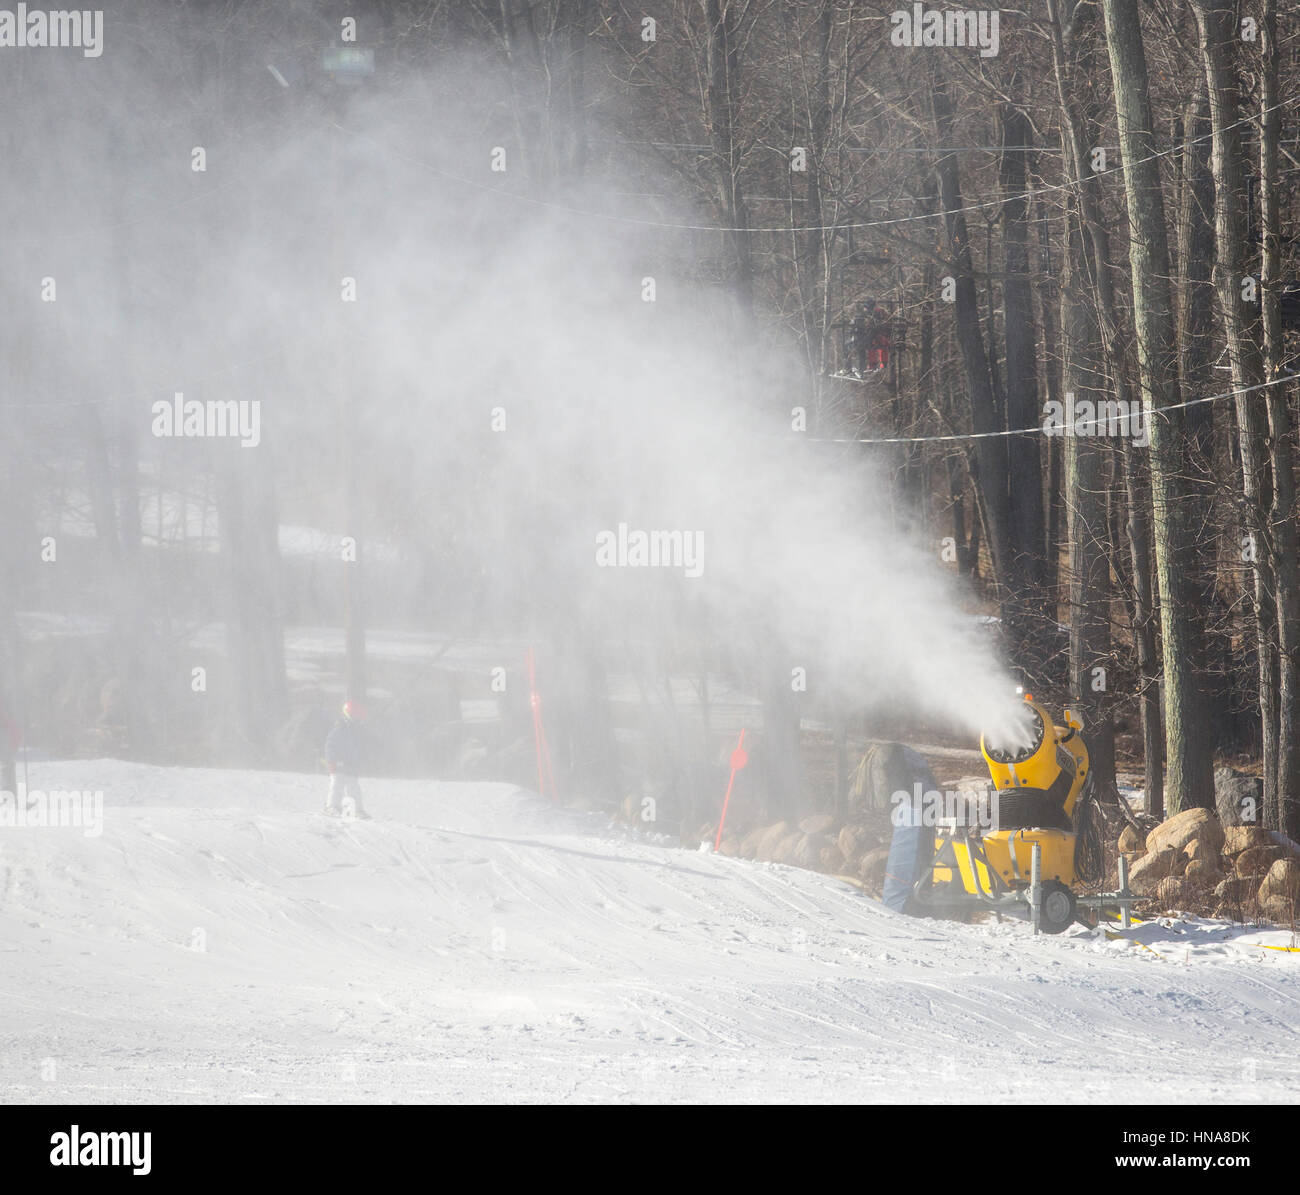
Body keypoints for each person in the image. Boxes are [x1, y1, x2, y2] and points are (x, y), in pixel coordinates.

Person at [324, 699, 370, 819]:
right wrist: (331, 761)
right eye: (356, 717)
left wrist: (360, 761)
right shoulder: (340, 729)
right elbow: (330, 745)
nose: (358, 720)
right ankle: (332, 807)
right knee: (336, 786)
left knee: (354, 788)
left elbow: (359, 748)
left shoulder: (358, 731)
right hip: (338, 764)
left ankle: (357, 809)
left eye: (359, 717)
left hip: (351, 765)